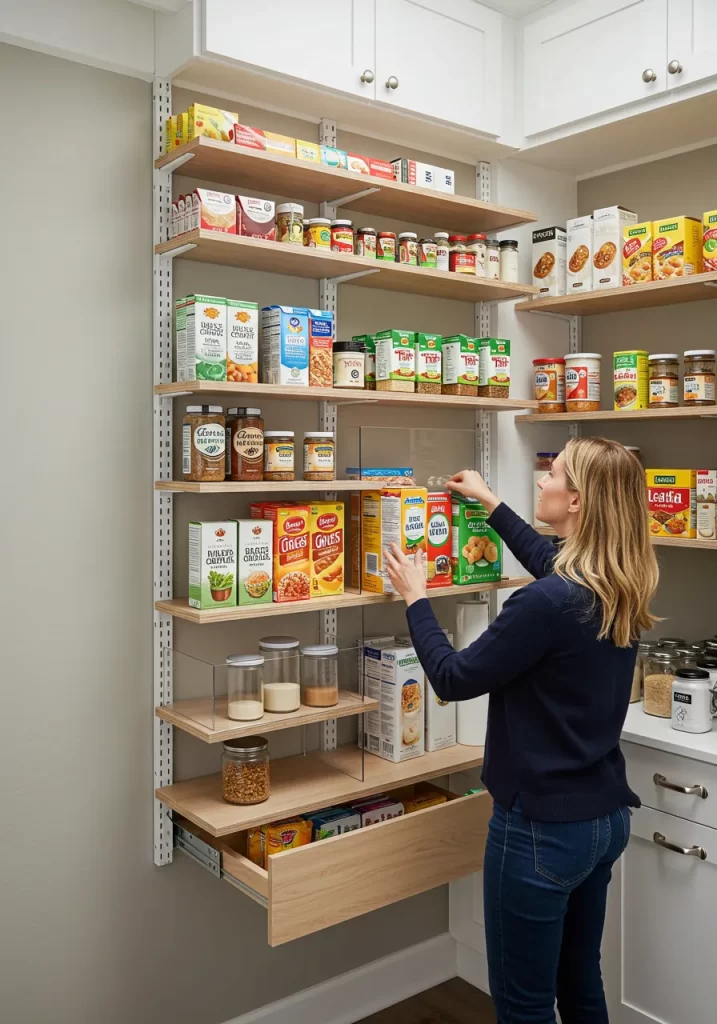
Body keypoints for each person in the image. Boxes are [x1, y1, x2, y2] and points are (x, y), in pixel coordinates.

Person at [384, 437, 658, 1024]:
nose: (540, 480)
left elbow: (454, 677)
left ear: (577, 500)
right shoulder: (618, 582)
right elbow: (547, 558)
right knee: (580, 985)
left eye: (552, 474)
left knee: (523, 1006)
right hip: (604, 820)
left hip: (541, 831)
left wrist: (416, 599)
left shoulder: (544, 603)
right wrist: (489, 502)